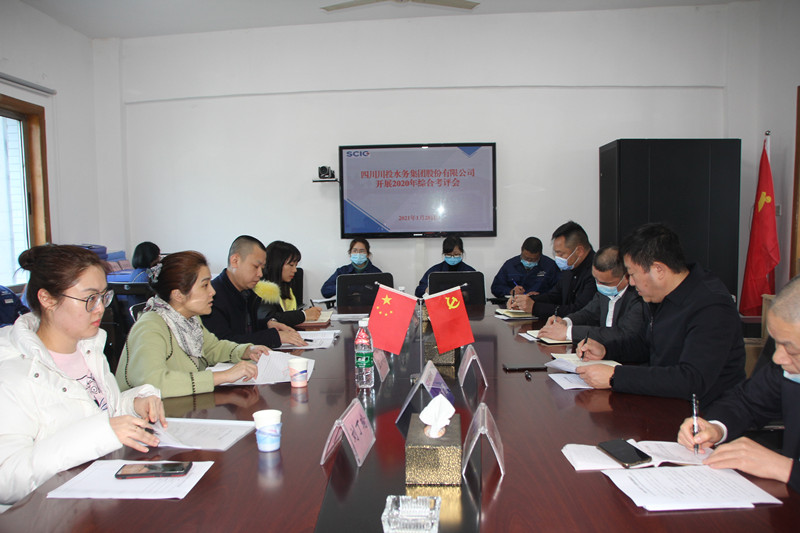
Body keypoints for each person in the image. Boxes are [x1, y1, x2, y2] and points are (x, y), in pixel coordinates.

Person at [0, 245, 165, 507]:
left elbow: (95, 412)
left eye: (103, 296)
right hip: (45, 513)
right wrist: (102, 432)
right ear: (47, 299)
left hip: (94, 496)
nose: (100, 308)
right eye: (90, 298)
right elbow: (7, 479)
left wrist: (133, 404)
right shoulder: (11, 372)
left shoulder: (89, 349)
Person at [576, 223, 745, 403]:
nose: (631, 283)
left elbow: (692, 380)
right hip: (663, 401)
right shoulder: (660, 295)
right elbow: (646, 345)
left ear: (658, 270)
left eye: (632, 274)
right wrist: (606, 350)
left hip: (706, 411)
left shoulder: (711, 306)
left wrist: (615, 376)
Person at [677, 277, 800, 493]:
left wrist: (785, 468)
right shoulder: (787, 367)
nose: (777, 358)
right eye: (776, 343)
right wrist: (715, 428)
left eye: (790, 348)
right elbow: (746, 401)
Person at [117, 251, 269, 398]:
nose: (213, 291)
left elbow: (212, 348)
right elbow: (153, 383)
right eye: (205, 285)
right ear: (178, 295)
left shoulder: (190, 319)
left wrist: (246, 350)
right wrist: (223, 376)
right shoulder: (150, 326)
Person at [202, 235, 305, 348]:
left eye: (262, 268)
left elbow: (245, 330)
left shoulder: (247, 293)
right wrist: (273, 336)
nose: (260, 274)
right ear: (235, 261)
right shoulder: (213, 296)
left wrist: (266, 325)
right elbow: (223, 343)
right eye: (255, 267)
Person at [538, 245, 645, 345]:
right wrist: (566, 322)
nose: (599, 285)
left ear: (626, 277)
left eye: (604, 283)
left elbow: (622, 334)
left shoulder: (639, 297)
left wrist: (569, 332)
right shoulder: (603, 293)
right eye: (596, 279)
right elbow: (588, 314)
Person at [509, 221, 596, 317]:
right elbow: (554, 296)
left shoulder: (597, 271)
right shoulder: (570, 266)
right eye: (556, 253)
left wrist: (535, 307)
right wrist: (524, 300)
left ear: (579, 251)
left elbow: (579, 311)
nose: (557, 258)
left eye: (561, 254)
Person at [254, 240, 323, 327]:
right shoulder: (262, 289)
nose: (295, 270)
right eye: (291, 265)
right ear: (276, 264)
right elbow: (270, 319)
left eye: (296, 265)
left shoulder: (286, 288)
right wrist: (304, 315)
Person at [490, 236, 559, 299]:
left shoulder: (551, 266)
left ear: (540, 255)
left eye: (533, 259)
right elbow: (495, 287)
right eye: (526, 258)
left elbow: (559, 291)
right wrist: (510, 291)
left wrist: (541, 296)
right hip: (513, 304)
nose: (529, 261)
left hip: (539, 304)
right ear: (522, 250)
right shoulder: (510, 265)